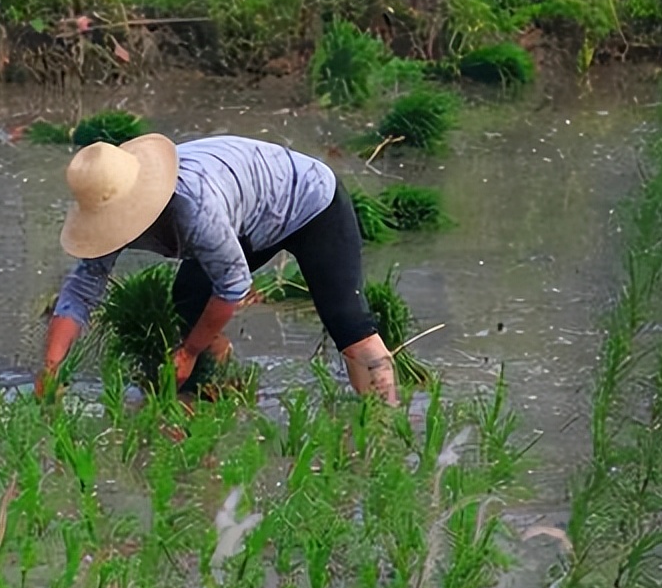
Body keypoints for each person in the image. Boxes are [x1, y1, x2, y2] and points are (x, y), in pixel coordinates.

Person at [37, 133, 398, 404]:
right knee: (190, 301)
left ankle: (384, 421)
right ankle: (228, 387)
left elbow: (233, 284)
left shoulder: (193, 207)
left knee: (347, 322)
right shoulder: (111, 213)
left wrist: (188, 353)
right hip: (247, 214)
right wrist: (51, 370)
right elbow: (81, 290)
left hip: (311, 202)